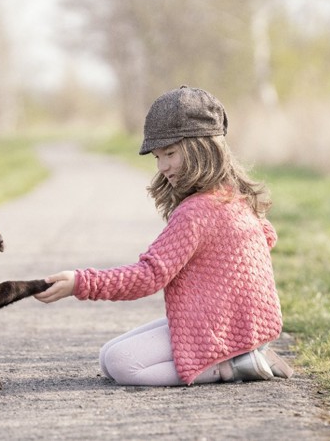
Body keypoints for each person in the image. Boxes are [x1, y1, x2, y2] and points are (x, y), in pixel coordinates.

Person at [35, 85, 293, 386]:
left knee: (122, 364)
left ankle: (232, 366)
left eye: (170, 153)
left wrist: (81, 282)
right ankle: (242, 353)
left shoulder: (197, 212)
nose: (162, 166)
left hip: (222, 327)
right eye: (158, 156)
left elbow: (149, 276)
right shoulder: (235, 198)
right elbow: (266, 238)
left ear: (203, 149)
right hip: (236, 321)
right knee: (107, 356)